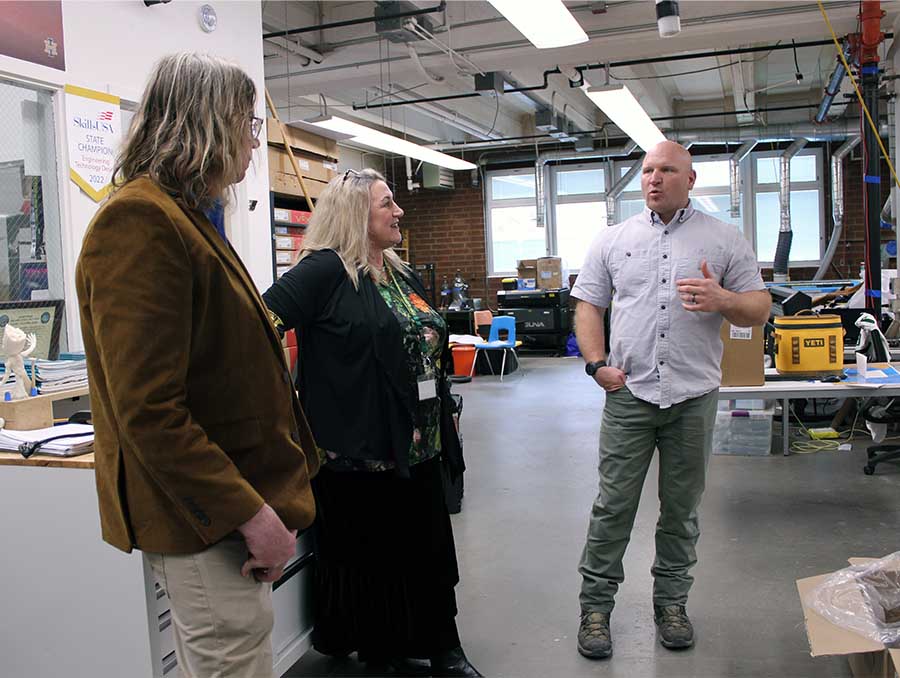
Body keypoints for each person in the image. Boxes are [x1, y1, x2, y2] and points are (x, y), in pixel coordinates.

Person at [75, 53, 318, 678]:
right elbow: (151, 412)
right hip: (207, 521)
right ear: (205, 124)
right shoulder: (140, 221)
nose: (252, 142)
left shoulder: (188, 217)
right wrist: (251, 513)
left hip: (229, 509)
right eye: (247, 123)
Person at [262, 168, 481, 677]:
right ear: (356, 214)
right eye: (387, 203)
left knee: (428, 552)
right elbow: (260, 323)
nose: (398, 211)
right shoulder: (324, 272)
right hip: (358, 454)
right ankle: (383, 655)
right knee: (373, 561)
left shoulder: (397, 270)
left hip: (419, 446)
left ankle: (443, 647)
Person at [572, 140, 770, 659]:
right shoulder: (613, 239)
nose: (654, 179)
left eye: (666, 170)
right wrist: (596, 364)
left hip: (692, 397)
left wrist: (724, 300)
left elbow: (759, 307)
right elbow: (589, 304)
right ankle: (595, 609)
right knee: (612, 506)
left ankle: (672, 603)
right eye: (647, 171)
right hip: (629, 395)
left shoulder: (724, 239)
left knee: (681, 511)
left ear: (690, 179)